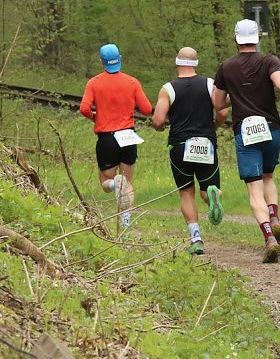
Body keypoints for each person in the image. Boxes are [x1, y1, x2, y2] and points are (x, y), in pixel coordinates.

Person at [212, 19, 280, 263]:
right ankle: (274, 217)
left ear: (235, 40)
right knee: (269, 176)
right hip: (271, 128)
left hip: (246, 131)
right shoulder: (269, 60)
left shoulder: (226, 67)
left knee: (254, 187)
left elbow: (218, 103)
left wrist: (236, 96)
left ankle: (269, 239)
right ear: (257, 39)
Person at [151, 47, 229, 255]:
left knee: (186, 192)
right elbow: (222, 111)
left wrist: (160, 127)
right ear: (196, 64)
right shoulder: (209, 84)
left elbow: (158, 120)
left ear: (177, 63)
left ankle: (196, 238)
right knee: (207, 188)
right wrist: (214, 126)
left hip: (180, 146)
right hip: (206, 144)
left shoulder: (168, 89)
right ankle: (213, 195)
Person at [80, 43, 153, 228]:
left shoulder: (94, 83)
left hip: (107, 138)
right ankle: (126, 223)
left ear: (101, 62)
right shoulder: (132, 82)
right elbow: (146, 109)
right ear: (120, 58)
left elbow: (84, 108)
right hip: (128, 136)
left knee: (106, 180)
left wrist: (94, 117)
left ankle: (114, 185)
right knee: (127, 182)